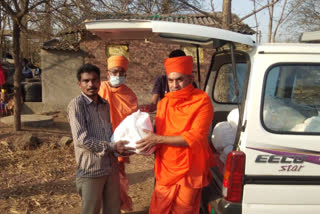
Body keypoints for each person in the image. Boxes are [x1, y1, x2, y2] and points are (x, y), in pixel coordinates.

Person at [136, 56, 215, 214]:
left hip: (190, 169)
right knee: (159, 208)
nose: (174, 85)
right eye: (171, 81)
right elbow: (159, 132)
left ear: (190, 78)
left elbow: (196, 137)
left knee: (183, 210)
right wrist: (146, 144)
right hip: (167, 166)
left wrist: (157, 139)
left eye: (179, 80)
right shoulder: (164, 102)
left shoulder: (202, 100)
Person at [67, 63, 133, 214]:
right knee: (91, 211)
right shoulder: (77, 105)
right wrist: (112, 147)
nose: (91, 84)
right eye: (86, 81)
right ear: (80, 84)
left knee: (113, 209)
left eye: (95, 80)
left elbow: (108, 133)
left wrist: (122, 147)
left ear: (100, 82)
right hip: (91, 170)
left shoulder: (105, 104)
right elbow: (81, 139)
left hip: (111, 168)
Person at [98, 55, 138, 211]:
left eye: (122, 73)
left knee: (118, 181)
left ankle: (118, 207)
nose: (118, 76)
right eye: (115, 72)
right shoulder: (99, 89)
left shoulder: (130, 95)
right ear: (108, 74)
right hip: (100, 144)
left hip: (120, 146)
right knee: (100, 182)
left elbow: (133, 124)